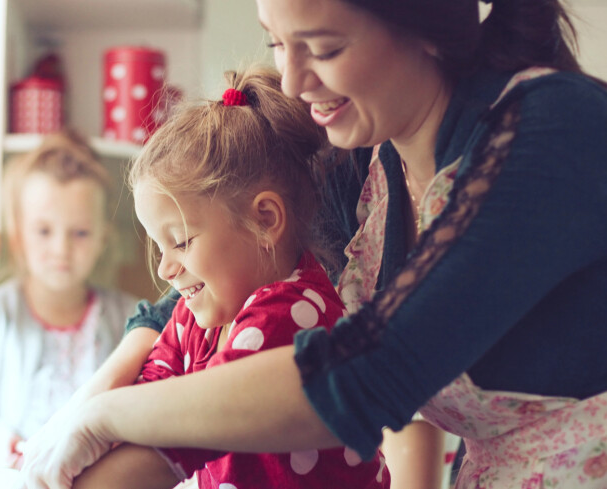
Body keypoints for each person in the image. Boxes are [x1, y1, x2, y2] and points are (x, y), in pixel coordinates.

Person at [23, 0, 607, 488]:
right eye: (277, 41)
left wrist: (106, 415)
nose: (296, 81)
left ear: (422, 24)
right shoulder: (363, 161)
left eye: (324, 48)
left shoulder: (554, 133)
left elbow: (362, 376)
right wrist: (79, 415)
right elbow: (184, 294)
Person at [66, 65, 392, 489]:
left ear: (265, 220)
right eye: (159, 247)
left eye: (181, 242)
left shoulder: (290, 314)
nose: (166, 268)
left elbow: (179, 437)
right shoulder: (194, 315)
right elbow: (149, 390)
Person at [0, 129, 139, 468]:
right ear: (19, 234)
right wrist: (1, 441)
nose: (60, 249)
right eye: (44, 231)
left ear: (102, 238)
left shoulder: (131, 319)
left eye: (80, 233)